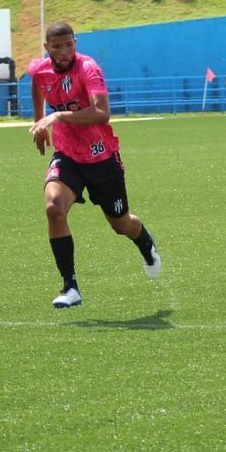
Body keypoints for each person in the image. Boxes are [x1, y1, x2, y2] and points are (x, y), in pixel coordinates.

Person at [28, 21, 161, 309]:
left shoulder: (88, 68)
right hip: (68, 154)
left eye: (68, 45)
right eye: (57, 47)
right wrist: (39, 121)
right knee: (53, 209)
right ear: (46, 48)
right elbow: (37, 85)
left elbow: (102, 113)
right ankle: (70, 287)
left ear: (76, 43)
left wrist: (58, 117)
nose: (63, 52)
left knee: (121, 224)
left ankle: (145, 242)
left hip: (102, 158)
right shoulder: (39, 69)